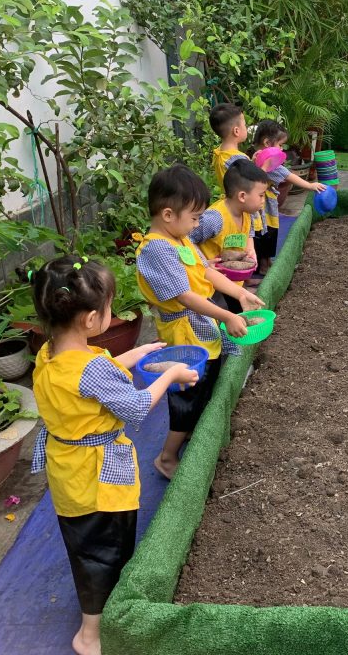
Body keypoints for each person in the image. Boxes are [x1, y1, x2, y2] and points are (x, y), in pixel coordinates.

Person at [29, 256, 200, 655]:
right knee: (104, 555)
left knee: (86, 548)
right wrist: (171, 375)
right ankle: (90, 636)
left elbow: (89, 379)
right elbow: (137, 406)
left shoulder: (49, 354)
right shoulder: (89, 368)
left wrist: (137, 355)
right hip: (98, 481)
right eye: (109, 307)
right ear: (92, 319)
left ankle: (96, 619)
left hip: (69, 474)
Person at [135, 164, 263, 479]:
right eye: (194, 218)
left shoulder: (179, 239)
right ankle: (167, 457)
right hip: (183, 331)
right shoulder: (156, 249)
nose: (197, 225)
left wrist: (240, 294)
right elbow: (185, 297)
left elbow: (206, 270)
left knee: (204, 383)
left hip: (200, 325)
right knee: (187, 394)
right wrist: (228, 316)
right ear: (168, 214)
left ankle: (190, 431)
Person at [192, 159, 270, 312]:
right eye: (261, 195)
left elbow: (249, 231)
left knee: (240, 312)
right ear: (242, 196)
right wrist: (203, 263)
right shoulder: (214, 219)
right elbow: (187, 238)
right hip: (212, 284)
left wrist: (250, 249)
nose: (263, 200)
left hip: (233, 279)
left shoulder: (247, 212)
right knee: (222, 316)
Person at [251, 120, 326, 273]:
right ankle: (263, 265)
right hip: (260, 207)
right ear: (267, 143)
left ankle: (265, 262)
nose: (281, 149)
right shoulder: (264, 161)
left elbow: (287, 174)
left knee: (263, 232)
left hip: (259, 205)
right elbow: (288, 176)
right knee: (264, 232)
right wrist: (310, 186)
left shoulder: (253, 158)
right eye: (280, 145)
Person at [208, 103, 264, 238]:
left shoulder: (219, 153)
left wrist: (250, 163)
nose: (246, 127)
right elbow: (254, 182)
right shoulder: (239, 158)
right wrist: (264, 167)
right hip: (246, 208)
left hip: (230, 205)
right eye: (244, 124)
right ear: (236, 131)